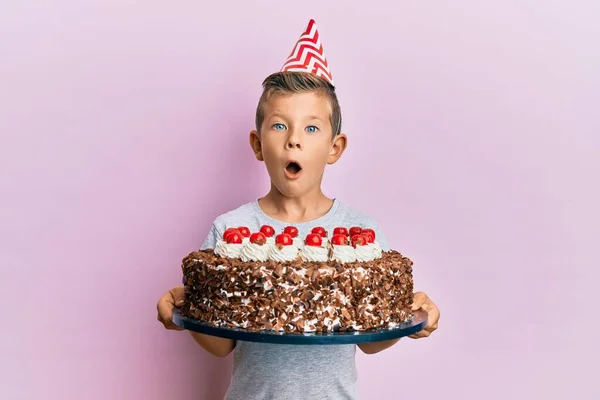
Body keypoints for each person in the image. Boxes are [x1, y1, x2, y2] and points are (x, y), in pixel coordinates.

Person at [156, 19, 440, 400]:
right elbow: (222, 345)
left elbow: (371, 338)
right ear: (258, 145)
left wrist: (410, 317)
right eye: (278, 126)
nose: (293, 141)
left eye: (310, 129)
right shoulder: (231, 230)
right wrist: (188, 311)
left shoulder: (360, 235)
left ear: (335, 147)